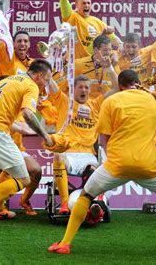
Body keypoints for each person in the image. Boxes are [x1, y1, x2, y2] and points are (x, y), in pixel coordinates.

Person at [48, 70, 156, 255]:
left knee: (85, 196)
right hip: (148, 165)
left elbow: (105, 139)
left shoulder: (111, 101)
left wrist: (115, 158)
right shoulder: (152, 99)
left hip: (117, 165)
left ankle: (65, 244)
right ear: (138, 82)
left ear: (120, 85)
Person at [0, 59, 54, 230]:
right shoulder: (31, 86)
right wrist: (44, 135)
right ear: (39, 75)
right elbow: (28, 114)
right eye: (47, 80)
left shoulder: (9, 79)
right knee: (24, 178)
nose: (46, 84)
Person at [48, 65, 118, 214]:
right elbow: (50, 83)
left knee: (95, 169)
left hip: (87, 156)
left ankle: (93, 204)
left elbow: (116, 88)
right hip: (68, 153)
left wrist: (110, 66)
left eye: (86, 87)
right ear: (73, 89)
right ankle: (65, 204)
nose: (84, 90)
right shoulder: (64, 102)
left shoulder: (96, 105)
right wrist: (48, 64)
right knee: (58, 155)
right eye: (80, 87)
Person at [57, 0, 121, 59]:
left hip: (94, 66)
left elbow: (115, 40)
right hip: (76, 66)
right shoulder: (71, 17)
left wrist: (121, 46)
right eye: (83, 3)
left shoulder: (97, 22)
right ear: (76, 5)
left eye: (88, 3)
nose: (86, 5)